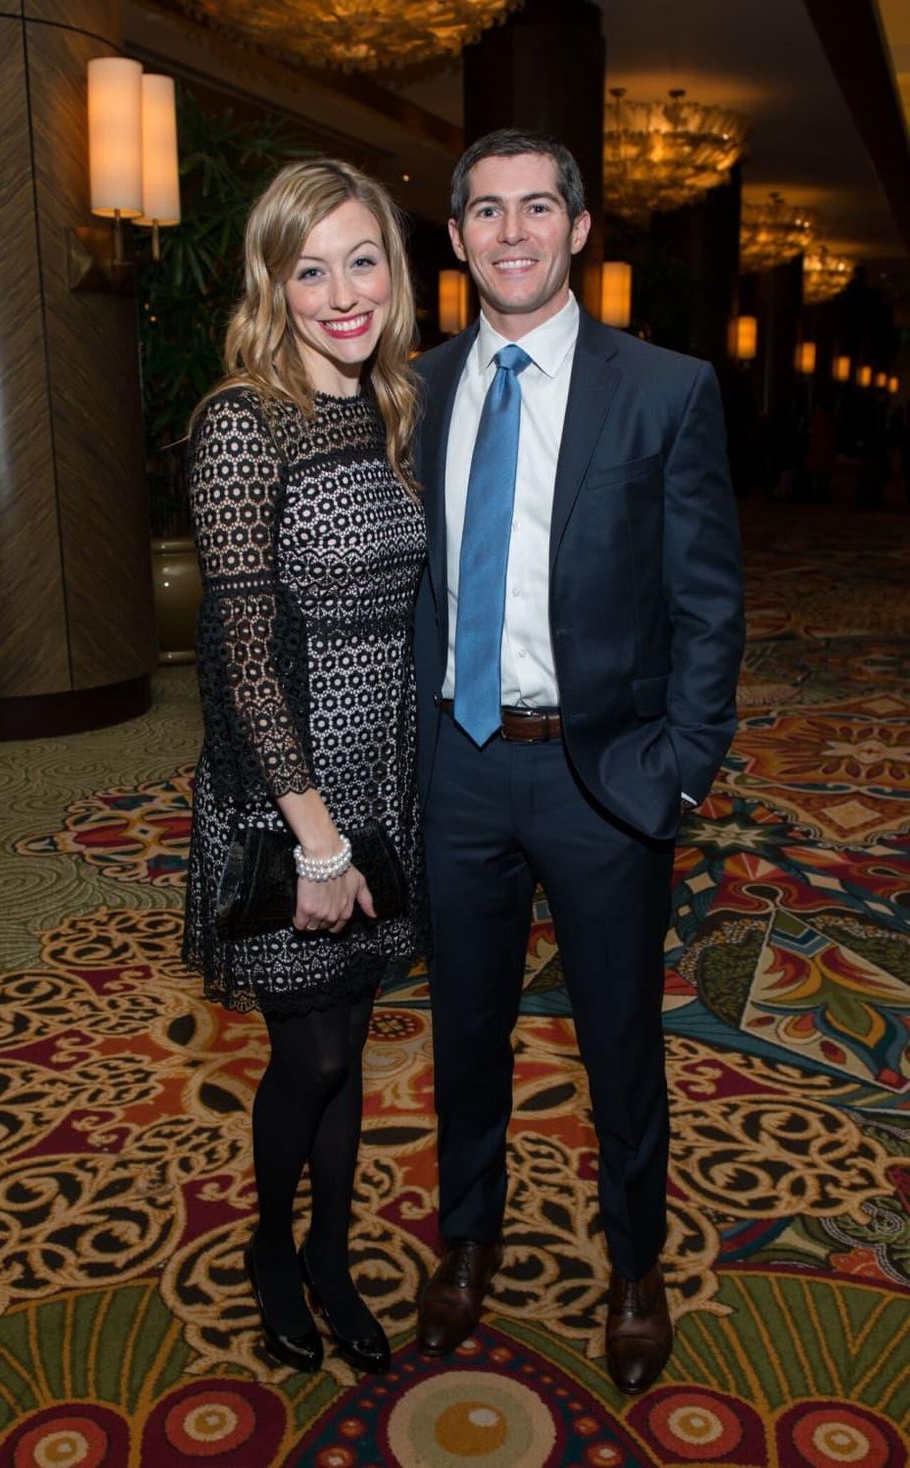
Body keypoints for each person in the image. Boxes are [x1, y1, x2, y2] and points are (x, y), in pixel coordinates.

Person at [412, 129, 744, 1394]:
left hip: (604, 774)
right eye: (486, 211)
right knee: (464, 1029)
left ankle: (636, 1261)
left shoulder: (664, 390)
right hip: (454, 764)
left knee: (617, 1038)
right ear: (454, 239)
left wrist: (683, 771)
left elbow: (709, 605)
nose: (511, 232)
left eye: (535, 207)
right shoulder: (417, 387)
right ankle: (466, 1238)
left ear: (579, 226)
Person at [183, 158, 425, 1376]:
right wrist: (316, 838)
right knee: (311, 1052)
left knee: (355, 1039)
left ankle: (331, 1253)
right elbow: (240, 656)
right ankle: (271, 1249)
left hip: (383, 780)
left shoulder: (388, 406)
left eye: (360, 258)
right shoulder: (241, 422)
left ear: (392, 264)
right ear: (271, 284)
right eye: (308, 267)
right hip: (286, 798)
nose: (340, 292)